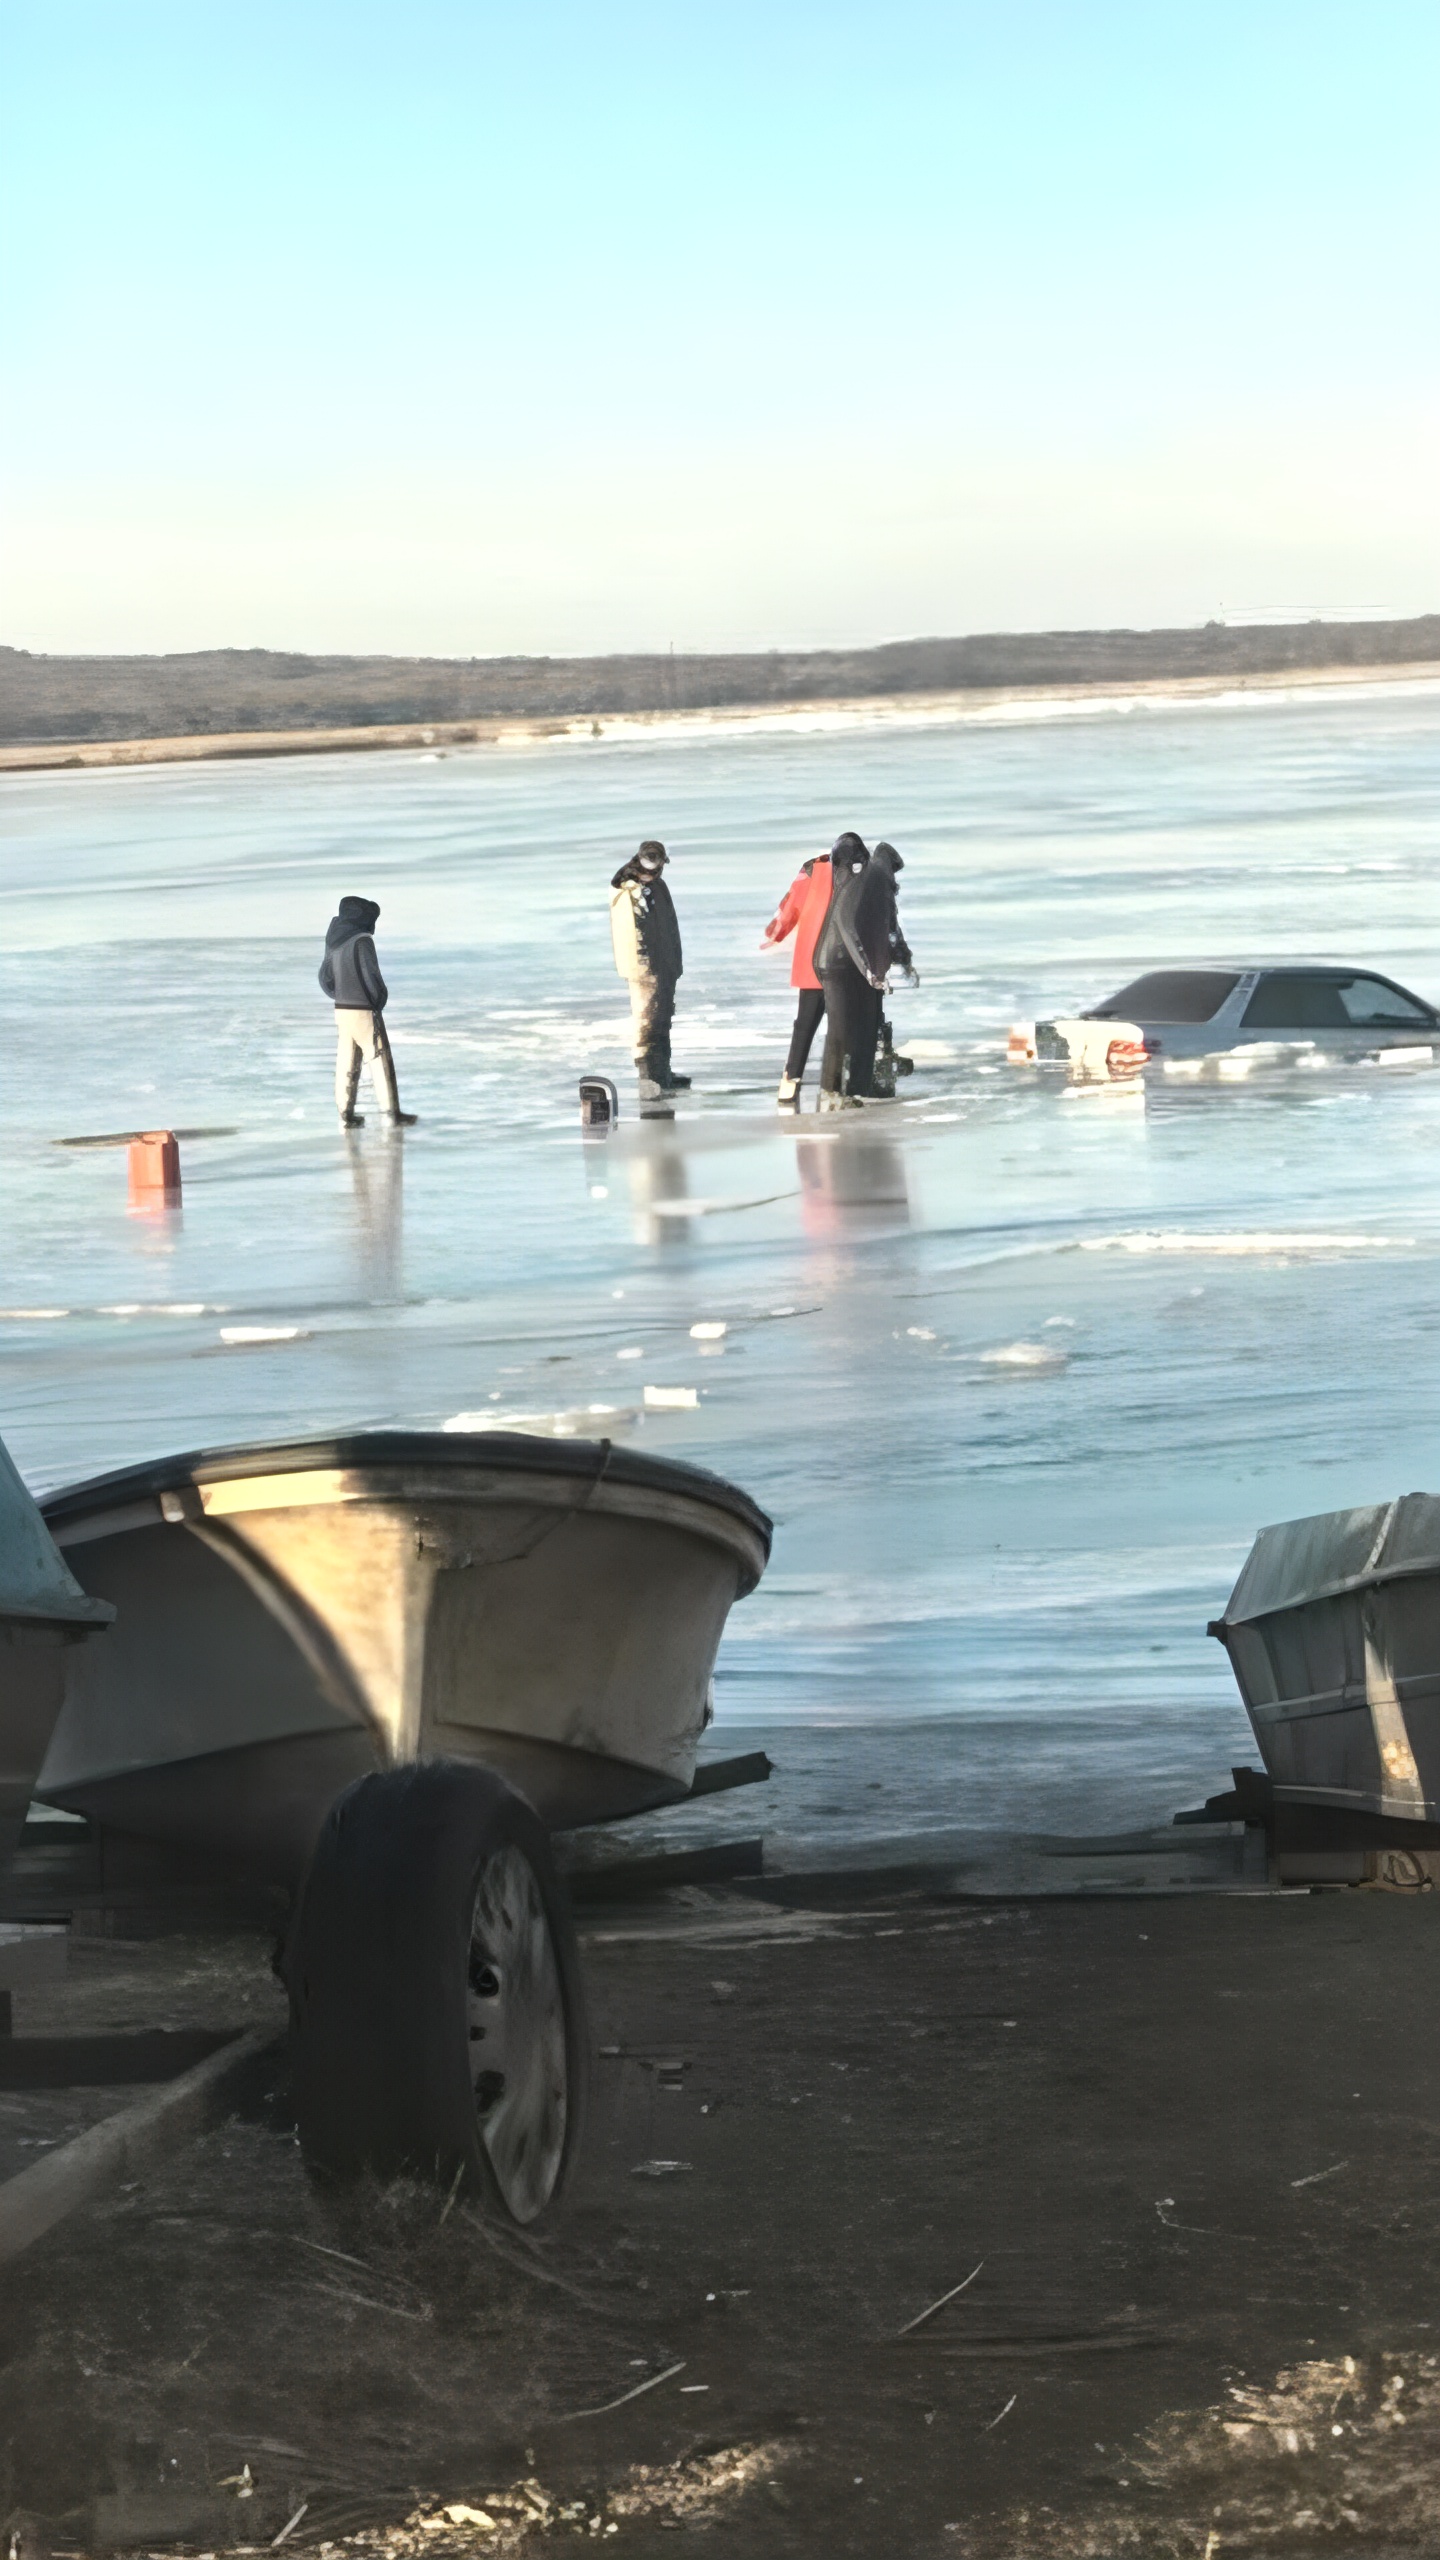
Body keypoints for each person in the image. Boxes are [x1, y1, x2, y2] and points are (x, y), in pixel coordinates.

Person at [318, 895, 416, 1127]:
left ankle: (345, 1114)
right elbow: (372, 978)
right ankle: (392, 1114)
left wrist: (341, 995)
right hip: (363, 1009)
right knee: (379, 1060)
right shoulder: (361, 941)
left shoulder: (334, 941)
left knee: (347, 1061)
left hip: (342, 1010)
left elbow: (325, 979)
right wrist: (378, 1001)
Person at [610, 839, 690, 1097]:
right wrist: (646, 969)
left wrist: (672, 966)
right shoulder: (629, 891)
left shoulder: (655, 886)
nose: (653, 872)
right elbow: (633, 936)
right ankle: (651, 1078)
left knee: (662, 1019)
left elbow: (668, 928)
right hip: (645, 968)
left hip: (663, 965)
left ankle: (662, 1073)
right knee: (649, 1022)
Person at [761, 847, 838, 1108]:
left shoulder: (812, 869)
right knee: (845, 1024)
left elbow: (790, 905)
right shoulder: (860, 869)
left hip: (812, 960)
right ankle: (836, 1081)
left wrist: (774, 934)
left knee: (805, 1023)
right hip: (845, 961)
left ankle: (790, 1079)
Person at [811, 833, 876, 1108]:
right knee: (839, 1030)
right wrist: (866, 967)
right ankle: (830, 1090)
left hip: (830, 961)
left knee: (841, 1028)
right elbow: (848, 929)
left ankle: (836, 1089)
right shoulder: (851, 886)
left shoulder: (840, 881)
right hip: (836, 964)